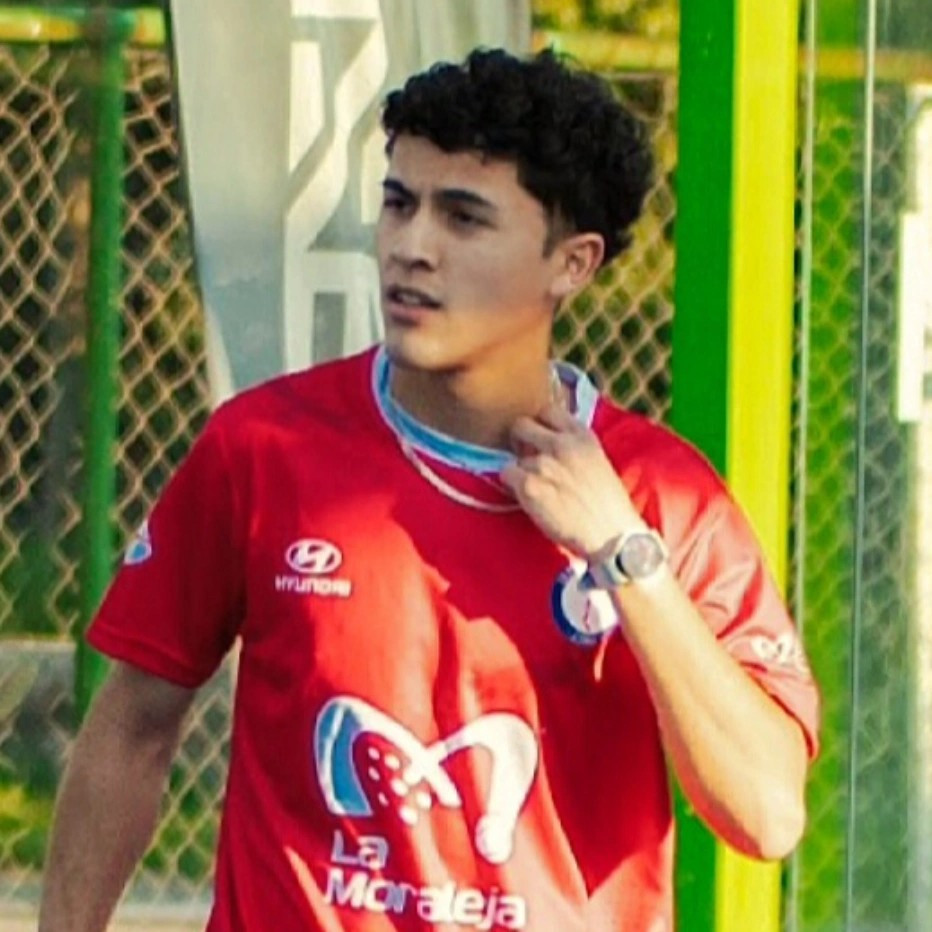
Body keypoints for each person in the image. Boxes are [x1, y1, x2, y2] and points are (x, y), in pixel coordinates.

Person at [39, 47, 819, 932]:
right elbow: (131, 728)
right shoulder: (262, 448)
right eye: (399, 204)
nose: (412, 247)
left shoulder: (663, 497)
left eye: (464, 218)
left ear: (572, 264)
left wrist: (623, 555)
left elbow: (766, 814)